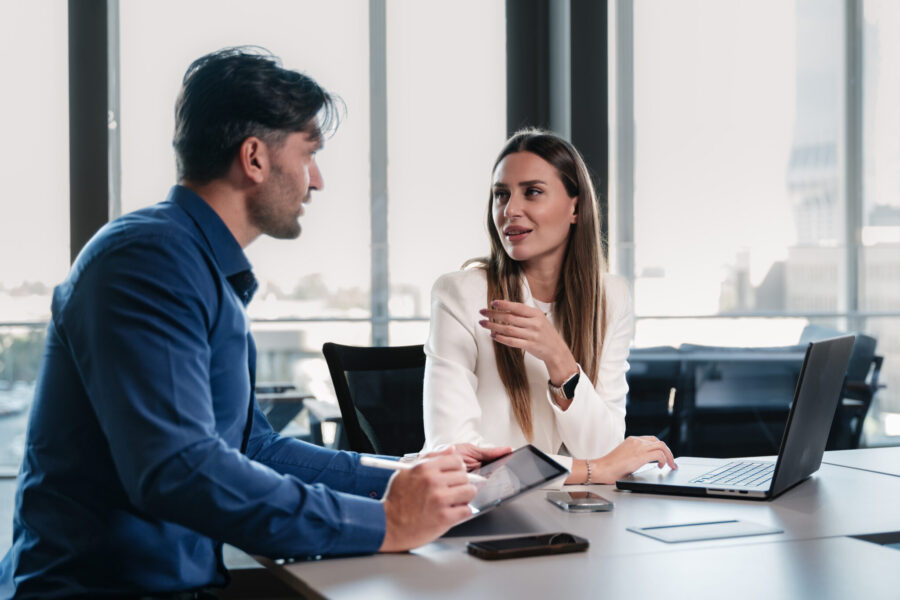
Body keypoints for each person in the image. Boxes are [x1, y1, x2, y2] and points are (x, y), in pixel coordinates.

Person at [0, 47, 507, 599]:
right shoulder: (148, 261)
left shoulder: (196, 268)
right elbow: (178, 470)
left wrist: (410, 475)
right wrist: (386, 523)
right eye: (309, 153)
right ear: (255, 158)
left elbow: (255, 450)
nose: (317, 180)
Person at [423, 129, 676, 485]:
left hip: (578, 512)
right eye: (501, 195)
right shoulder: (461, 294)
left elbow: (604, 448)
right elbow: (456, 455)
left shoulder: (611, 298)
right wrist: (589, 471)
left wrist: (560, 361)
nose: (510, 210)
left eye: (533, 192)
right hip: (485, 515)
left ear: (575, 207)